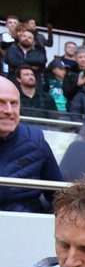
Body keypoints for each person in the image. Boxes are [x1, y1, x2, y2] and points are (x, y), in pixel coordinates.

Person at [0, 76, 63, 213]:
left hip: (26, 227)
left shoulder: (35, 141)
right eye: (1, 102)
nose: (9, 110)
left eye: (14, 103)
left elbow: (59, 197)